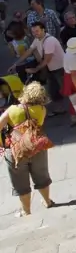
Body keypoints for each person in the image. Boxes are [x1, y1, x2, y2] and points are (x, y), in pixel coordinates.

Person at [0, 82, 55, 217]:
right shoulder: (42, 110)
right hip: (37, 147)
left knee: (20, 182)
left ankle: (26, 211)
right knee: (41, 176)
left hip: (16, 150)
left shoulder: (12, 110)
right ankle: (47, 202)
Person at [15, 22, 66, 117]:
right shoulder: (37, 40)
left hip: (60, 68)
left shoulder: (49, 40)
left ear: (43, 30)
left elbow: (47, 59)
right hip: (51, 69)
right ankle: (61, 108)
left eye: (37, 31)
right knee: (54, 89)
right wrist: (16, 64)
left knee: (65, 88)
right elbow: (29, 52)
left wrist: (35, 70)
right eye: (33, 32)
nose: (35, 33)